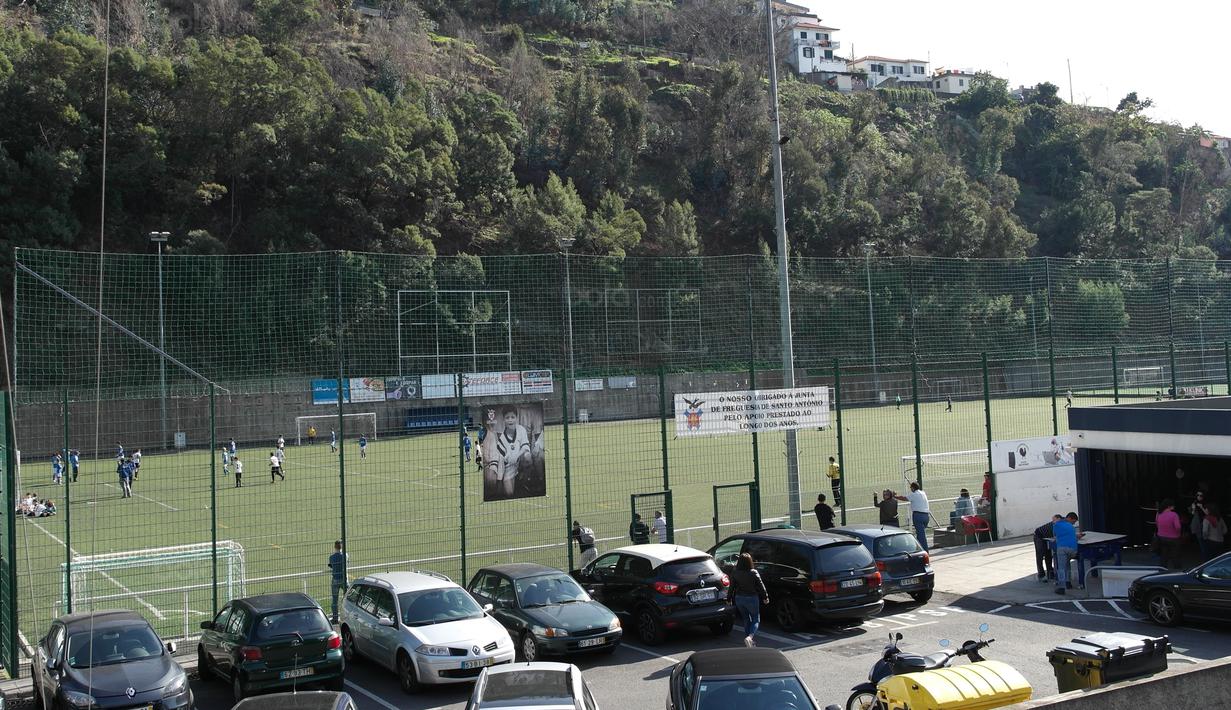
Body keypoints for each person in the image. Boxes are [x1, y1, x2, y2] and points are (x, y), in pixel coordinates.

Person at [729, 553, 769, 648]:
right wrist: (765, 597)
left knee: (746, 618)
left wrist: (728, 598)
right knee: (756, 618)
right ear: (750, 562)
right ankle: (750, 637)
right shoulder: (754, 572)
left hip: (739, 598)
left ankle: (749, 642)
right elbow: (761, 586)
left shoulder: (735, 572)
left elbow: (731, 587)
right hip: (751, 598)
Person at [488, 407, 529, 498]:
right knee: (509, 493)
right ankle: (513, 481)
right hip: (509, 468)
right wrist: (500, 480)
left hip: (520, 461)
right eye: (507, 418)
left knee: (527, 456)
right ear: (504, 420)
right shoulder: (502, 440)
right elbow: (501, 462)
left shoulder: (521, 430)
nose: (510, 420)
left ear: (516, 418)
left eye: (512, 417)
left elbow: (526, 447)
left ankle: (524, 480)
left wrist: (517, 455)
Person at [895, 483, 931, 551]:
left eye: (911, 488)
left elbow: (904, 498)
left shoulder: (914, 494)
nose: (910, 489)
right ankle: (918, 548)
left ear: (913, 488)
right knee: (920, 534)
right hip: (926, 516)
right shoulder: (923, 493)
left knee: (921, 536)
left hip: (918, 516)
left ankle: (924, 551)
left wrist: (895, 496)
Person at [1053, 512, 1082, 594]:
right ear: (1069, 518)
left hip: (1062, 549)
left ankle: (1062, 588)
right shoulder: (1071, 527)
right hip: (1073, 550)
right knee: (1067, 563)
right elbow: (1071, 536)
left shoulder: (1056, 525)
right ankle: (1068, 583)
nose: (1074, 523)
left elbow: (1055, 536)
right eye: (1073, 521)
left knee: (1062, 567)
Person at [1033, 514, 1062, 581]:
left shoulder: (1061, 523)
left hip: (1046, 537)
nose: (1053, 521)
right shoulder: (1057, 524)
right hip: (1038, 536)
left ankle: (1050, 573)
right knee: (1040, 555)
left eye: (1054, 520)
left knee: (1048, 555)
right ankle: (1041, 574)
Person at [1155, 499, 1183, 569]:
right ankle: (1178, 572)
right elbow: (1178, 527)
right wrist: (1178, 533)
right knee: (1175, 557)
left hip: (1161, 537)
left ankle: (1162, 572)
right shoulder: (1174, 515)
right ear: (1169, 506)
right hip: (1173, 538)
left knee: (1163, 557)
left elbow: (1157, 524)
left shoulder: (1159, 513)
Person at [328, 540, 349, 624]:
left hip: (335, 580)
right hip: (344, 580)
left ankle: (335, 618)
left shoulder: (331, 557)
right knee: (347, 599)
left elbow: (331, 566)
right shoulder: (345, 555)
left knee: (335, 600)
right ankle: (347, 617)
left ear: (334, 547)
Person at [1191, 492, 1211, 560]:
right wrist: (1193, 508)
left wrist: (1202, 507)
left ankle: (1207, 558)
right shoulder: (1194, 503)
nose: (1199, 496)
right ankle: (1205, 558)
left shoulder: (1206, 504)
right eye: (1197, 495)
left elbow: (1207, 513)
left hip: (1206, 524)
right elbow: (1193, 514)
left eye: (1201, 495)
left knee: (1206, 541)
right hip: (1198, 524)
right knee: (1201, 541)